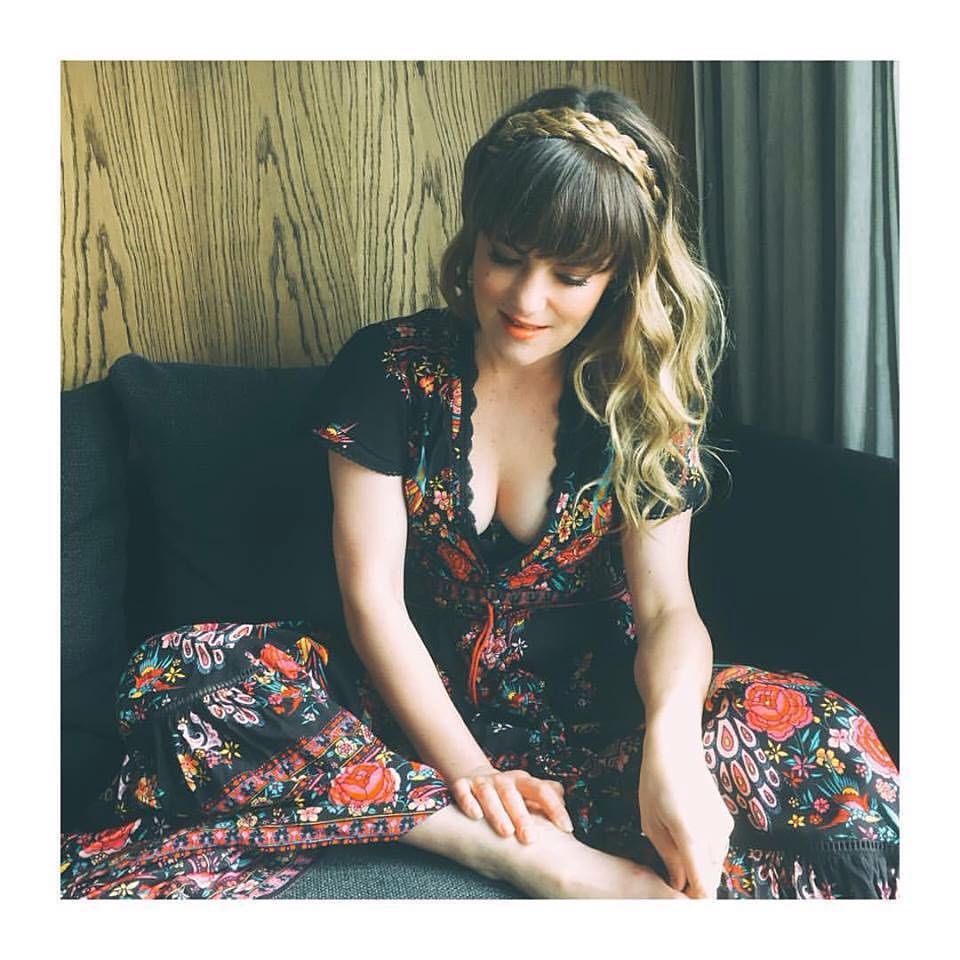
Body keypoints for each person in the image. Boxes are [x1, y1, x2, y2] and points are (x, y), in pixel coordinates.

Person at [61, 85, 900, 899]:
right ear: (475, 239)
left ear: (618, 278)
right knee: (184, 674)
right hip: (404, 728)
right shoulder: (389, 368)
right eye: (507, 256)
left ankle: (525, 821)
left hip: (595, 731)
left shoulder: (641, 397)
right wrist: (472, 778)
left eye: (570, 275)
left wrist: (671, 749)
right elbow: (372, 601)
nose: (527, 299)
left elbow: (666, 610)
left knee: (814, 730)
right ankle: (519, 853)